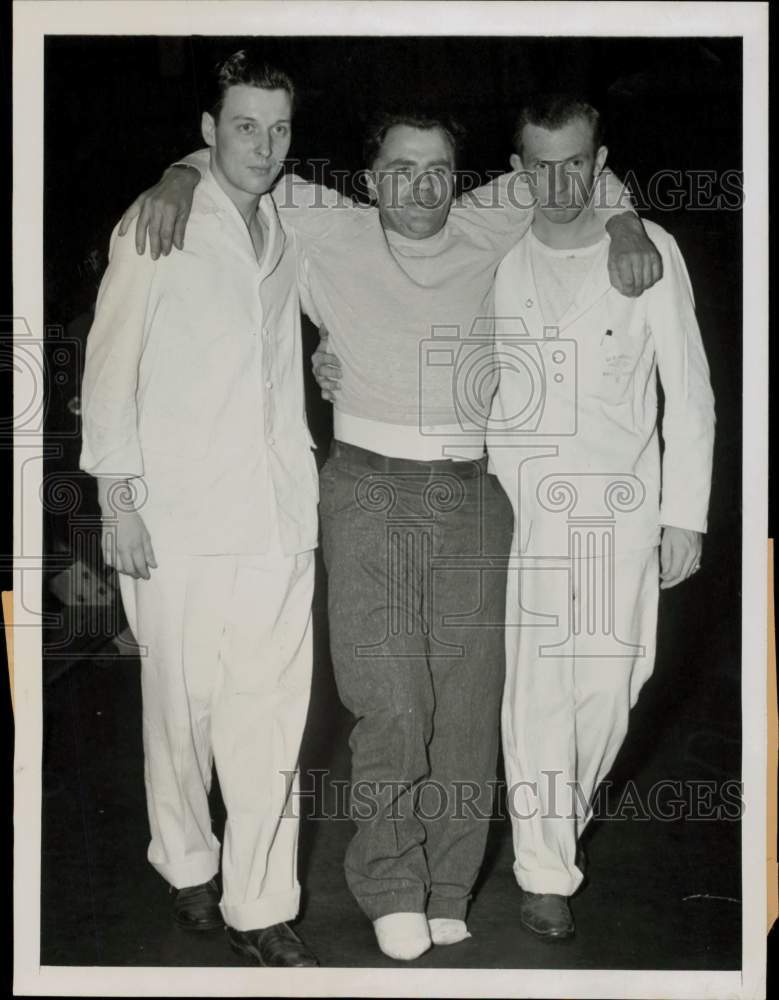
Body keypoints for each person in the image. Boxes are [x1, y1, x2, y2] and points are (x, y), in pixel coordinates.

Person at [120, 105, 662, 961]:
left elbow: (580, 171)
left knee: (468, 711)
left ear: (462, 177)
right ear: (370, 180)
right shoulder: (326, 223)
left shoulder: (491, 216)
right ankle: (388, 885)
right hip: (365, 491)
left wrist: (627, 219)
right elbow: (240, 160)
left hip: (473, 496)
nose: (421, 186)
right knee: (391, 703)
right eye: (402, 169)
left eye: (438, 169)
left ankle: (449, 886)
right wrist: (178, 172)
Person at [79, 50, 320, 967]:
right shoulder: (156, 222)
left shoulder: (292, 223)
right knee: (178, 711)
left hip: (277, 518)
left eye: (280, 128)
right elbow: (108, 375)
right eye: (245, 126)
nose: (264, 146)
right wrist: (122, 502)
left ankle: (262, 905)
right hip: (174, 518)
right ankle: (186, 866)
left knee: (268, 717)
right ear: (208, 132)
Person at [486, 93, 716, 940]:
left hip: (621, 512)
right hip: (524, 508)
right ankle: (545, 872)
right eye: (539, 165)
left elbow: (687, 394)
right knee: (538, 693)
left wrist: (682, 517)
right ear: (518, 170)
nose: (556, 182)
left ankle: (551, 835)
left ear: (598, 162)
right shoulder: (499, 256)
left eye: (573, 163)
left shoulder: (647, 252)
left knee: (609, 692)